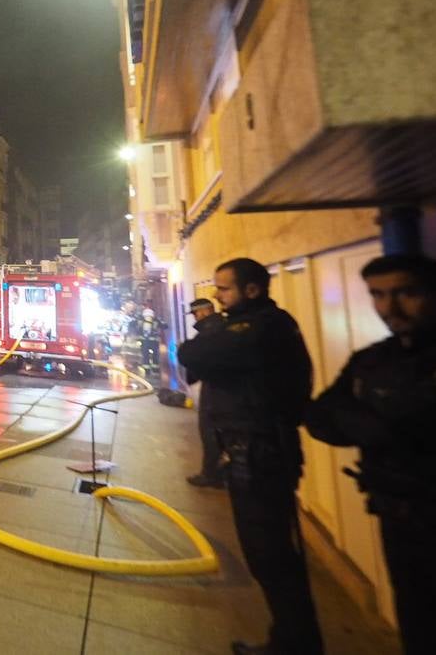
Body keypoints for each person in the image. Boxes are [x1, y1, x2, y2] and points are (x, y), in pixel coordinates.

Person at [305, 254, 436, 655]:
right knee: (418, 626)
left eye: (407, 293)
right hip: (397, 517)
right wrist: (380, 422)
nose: (390, 308)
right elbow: (319, 415)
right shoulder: (373, 359)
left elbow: (420, 417)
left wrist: (373, 417)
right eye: (378, 295)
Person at [178, 257, 322, 655]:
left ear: (252, 290)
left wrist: (212, 329)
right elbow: (193, 352)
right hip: (254, 451)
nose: (217, 297)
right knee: (269, 556)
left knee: (271, 556)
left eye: (223, 290)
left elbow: (192, 353)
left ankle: (295, 643)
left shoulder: (258, 329)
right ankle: (293, 637)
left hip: (260, 454)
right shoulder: (264, 325)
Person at [184, 297, 227, 488]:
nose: (195, 317)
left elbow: (200, 355)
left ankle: (211, 475)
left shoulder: (211, 330)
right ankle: (215, 473)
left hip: (216, 387)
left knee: (209, 429)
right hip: (218, 384)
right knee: (212, 430)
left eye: (196, 313)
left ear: (205, 311)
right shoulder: (218, 326)